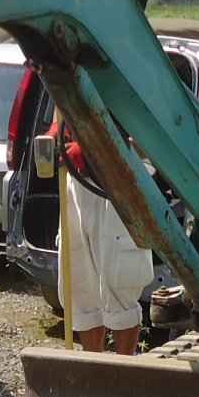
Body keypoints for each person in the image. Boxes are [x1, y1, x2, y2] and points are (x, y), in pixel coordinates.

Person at [57, 123, 149, 354]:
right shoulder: (72, 84)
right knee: (80, 283)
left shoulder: (134, 87)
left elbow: (151, 140)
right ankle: (93, 369)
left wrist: (92, 152)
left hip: (118, 184)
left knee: (119, 283)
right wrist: (56, 139)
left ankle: (123, 372)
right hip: (77, 184)